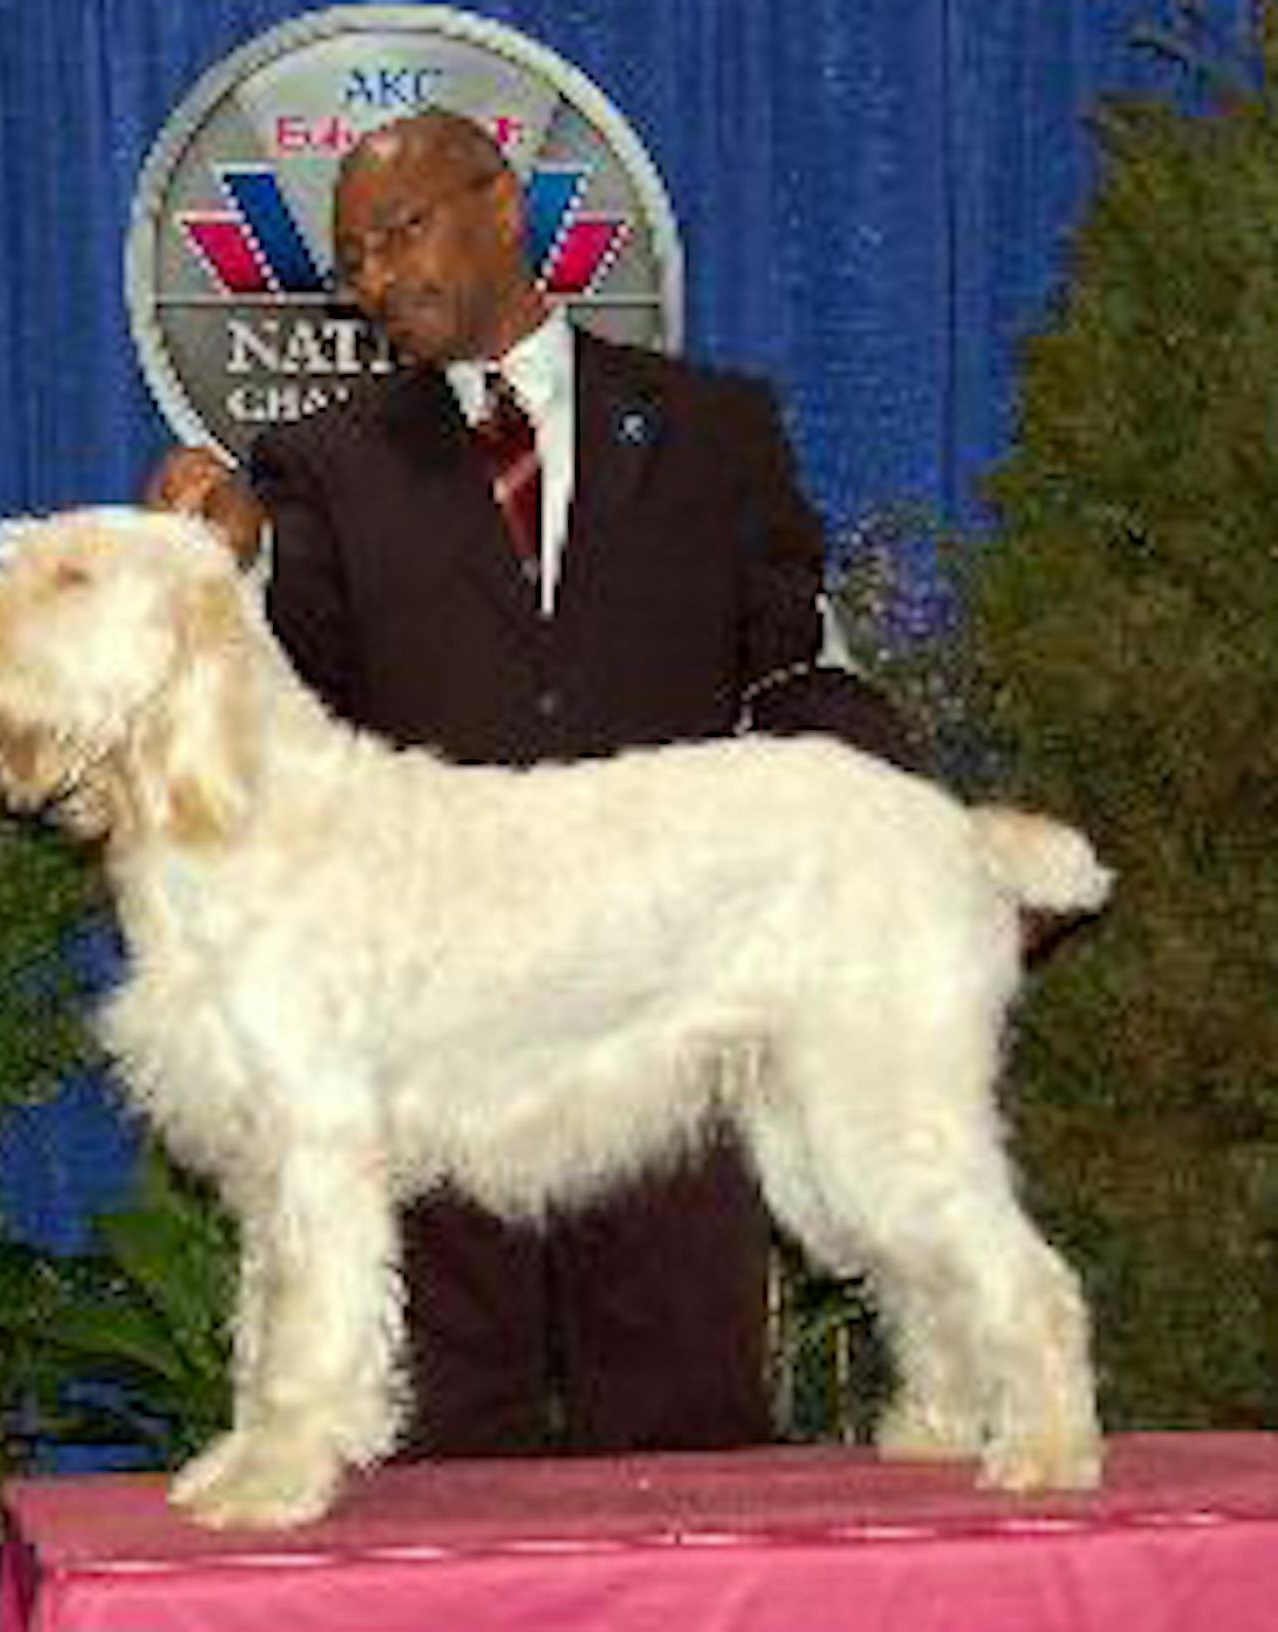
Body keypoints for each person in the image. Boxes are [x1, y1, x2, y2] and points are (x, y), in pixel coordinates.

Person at [149, 107, 916, 1462]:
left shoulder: (715, 428)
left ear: (503, 205)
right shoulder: (321, 465)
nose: (381, 281)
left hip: (665, 1009)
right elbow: (290, 707)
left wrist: (920, 849)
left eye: (401, 234)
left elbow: (797, 670)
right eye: (356, 266)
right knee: (450, 1466)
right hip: (438, 1034)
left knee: (689, 1446)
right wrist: (237, 564)